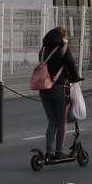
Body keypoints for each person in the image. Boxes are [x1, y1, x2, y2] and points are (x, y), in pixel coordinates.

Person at [38, 25, 82, 163]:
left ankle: (48, 153)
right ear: (63, 37)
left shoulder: (43, 49)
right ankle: (59, 151)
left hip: (44, 89)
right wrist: (76, 78)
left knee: (52, 122)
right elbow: (71, 65)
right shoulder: (62, 49)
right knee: (61, 122)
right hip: (59, 89)